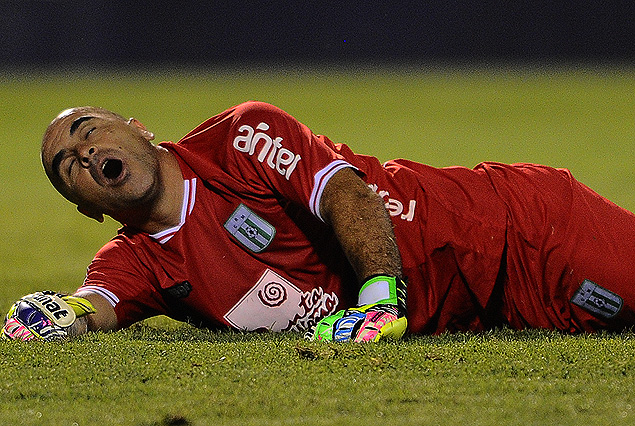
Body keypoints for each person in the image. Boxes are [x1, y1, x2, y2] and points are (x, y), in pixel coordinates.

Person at [4, 101, 635, 342]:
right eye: (67, 167)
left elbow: (348, 199)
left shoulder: (241, 138)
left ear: (137, 127)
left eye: (87, 132)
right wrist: (53, 316)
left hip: (513, 229)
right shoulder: (140, 263)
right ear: (87, 206)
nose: (84, 153)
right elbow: (94, 303)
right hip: (496, 309)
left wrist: (378, 300)